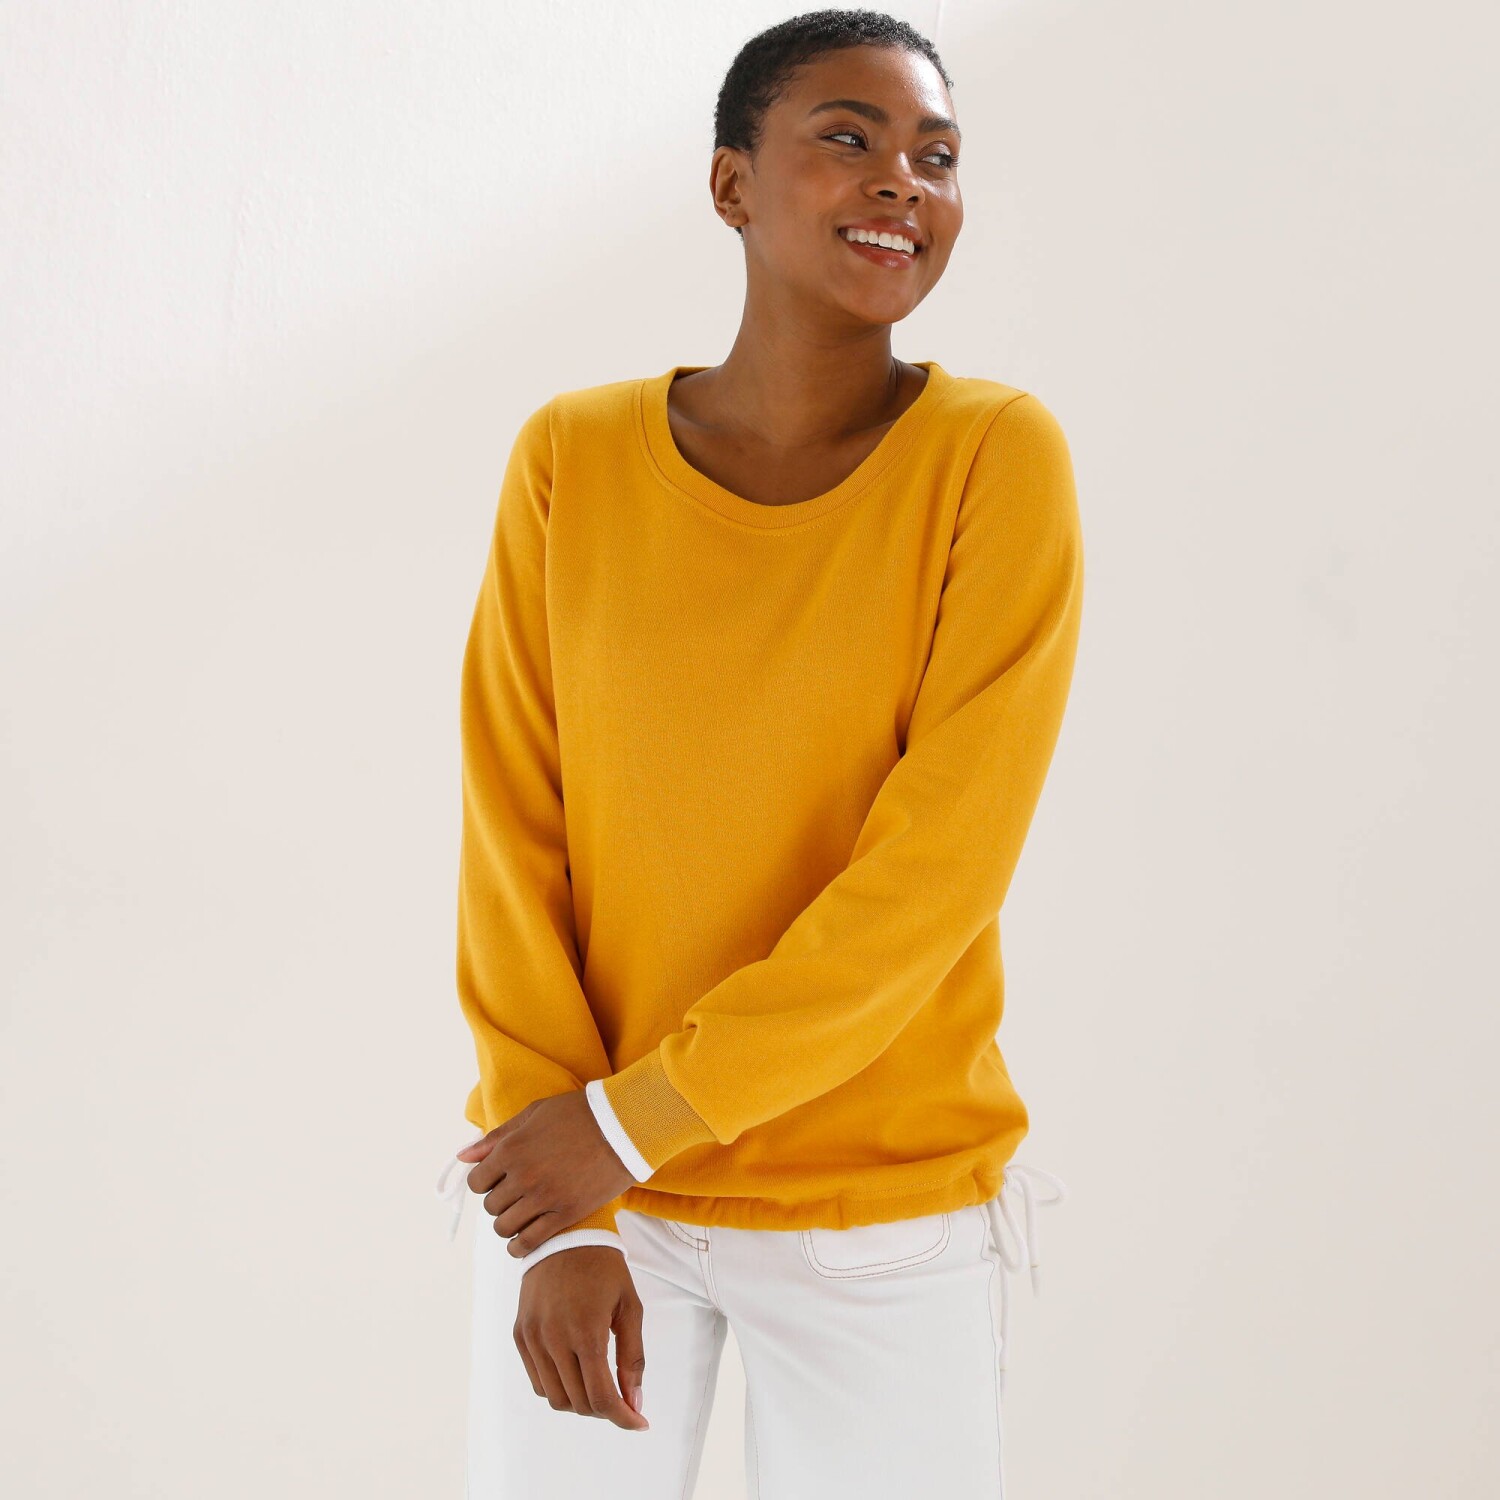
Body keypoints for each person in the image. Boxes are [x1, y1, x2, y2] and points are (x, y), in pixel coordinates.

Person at [434, 9, 1084, 1496]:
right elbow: (512, 829)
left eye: (937, 155)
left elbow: (936, 874)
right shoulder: (572, 456)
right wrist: (578, 1202)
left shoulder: (994, 457)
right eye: (848, 138)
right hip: (589, 1192)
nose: (903, 180)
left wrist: (628, 1124)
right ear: (731, 183)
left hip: (878, 1215)